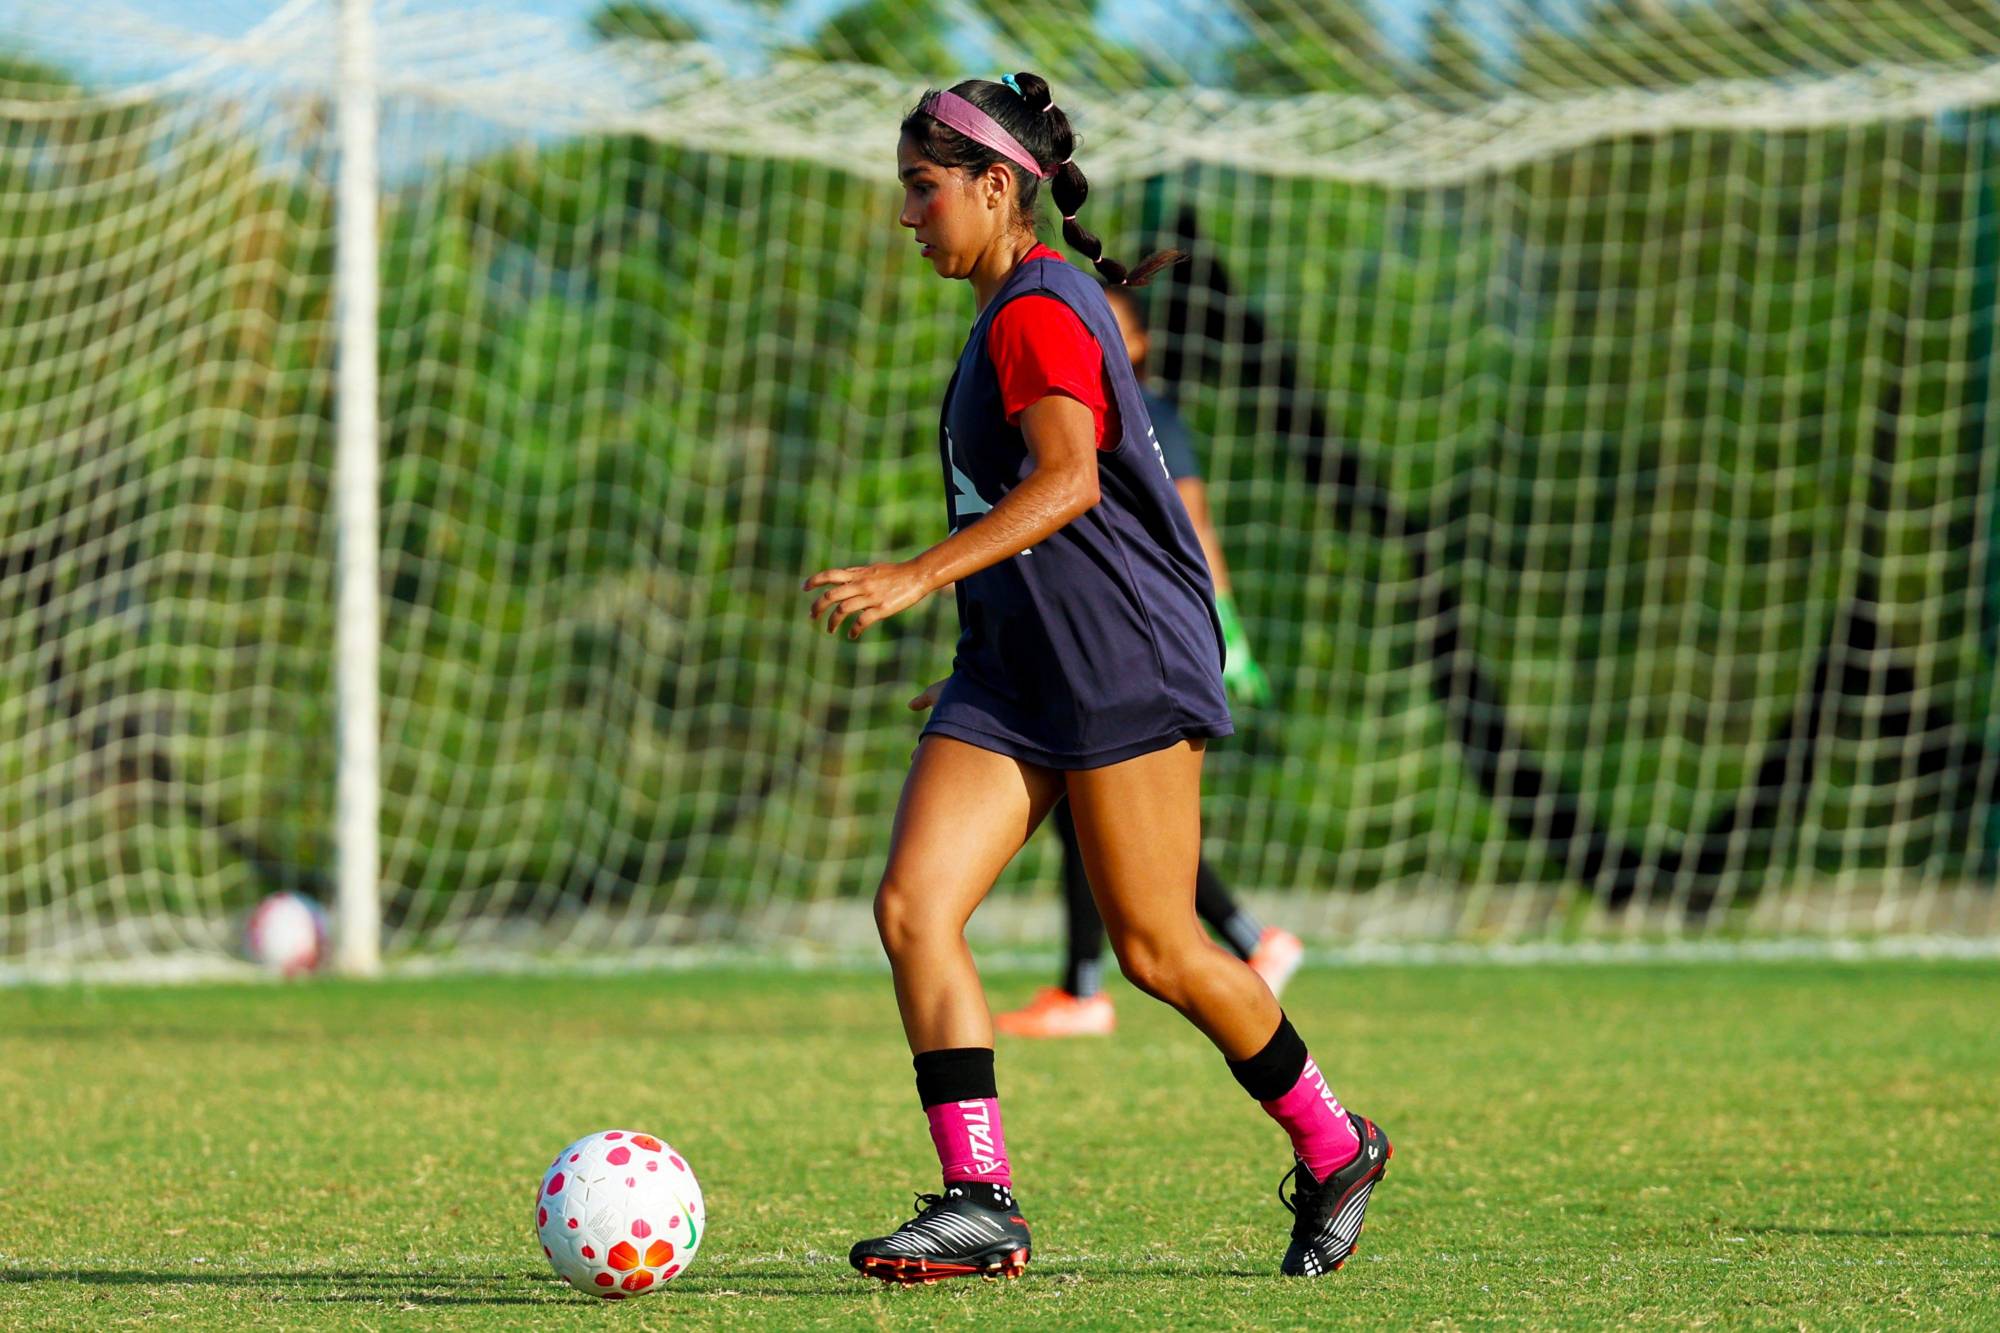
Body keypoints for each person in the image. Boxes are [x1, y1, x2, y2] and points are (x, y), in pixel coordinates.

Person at [802, 71, 1391, 1285]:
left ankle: (1335, 1146)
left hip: (1123, 659)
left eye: (922, 190)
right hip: (1014, 676)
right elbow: (1028, 515)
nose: (907, 215)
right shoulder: (997, 317)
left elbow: (1066, 483)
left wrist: (917, 575)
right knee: (914, 908)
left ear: (995, 186)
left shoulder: (1037, 306)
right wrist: (974, 643)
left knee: (1159, 949)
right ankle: (980, 1201)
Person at [996, 282, 1301, 1039]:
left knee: (1120, 828)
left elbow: (1188, 518)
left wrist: (1226, 622)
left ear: (1136, 344)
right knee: (1108, 822)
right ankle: (1234, 940)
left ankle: (1102, 983)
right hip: (1096, 645)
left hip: (1147, 644)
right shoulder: (1073, 402)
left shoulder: (1148, 413)